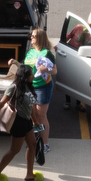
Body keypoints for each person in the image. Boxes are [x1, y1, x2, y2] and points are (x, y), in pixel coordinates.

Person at [0, 63, 42, 181]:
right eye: (31, 74)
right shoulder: (14, 87)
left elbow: (31, 107)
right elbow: (1, 103)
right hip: (18, 121)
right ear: (24, 76)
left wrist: (35, 121)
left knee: (32, 144)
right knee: (14, 150)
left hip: (27, 121)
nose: (33, 76)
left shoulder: (29, 86)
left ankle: (29, 174)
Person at [23, 28, 57, 161]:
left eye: (34, 36)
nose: (31, 38)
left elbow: (54, 71)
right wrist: (15, 63)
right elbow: (25, 67)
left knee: (40, 115)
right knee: (33, 115)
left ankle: (45, 143)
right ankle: (35, 140)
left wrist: (45, 69)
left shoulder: (47, 53)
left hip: (43, 87)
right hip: (30, 86)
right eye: (31, 36)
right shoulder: (30, 52)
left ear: (40, 38)